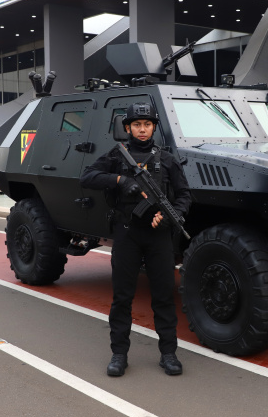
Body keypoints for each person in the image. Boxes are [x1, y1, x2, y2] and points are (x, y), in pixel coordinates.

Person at [80, 102, 192, 377]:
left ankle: (168, 354)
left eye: (147, 125)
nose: (142, 130)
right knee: (122, 298)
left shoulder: (167, 159)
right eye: (137, 125)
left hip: (159, 237)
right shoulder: (117, 156)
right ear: (127, 127)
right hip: (127, 233)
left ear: (154, 127)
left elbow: (184, 196)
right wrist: (119, 180)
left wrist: (170, 217)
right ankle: (119, 354)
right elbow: (87, 177)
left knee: (164, 297)